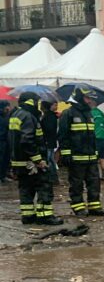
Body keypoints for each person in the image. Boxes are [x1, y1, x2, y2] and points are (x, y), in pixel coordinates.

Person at [8, 92, 63, 225]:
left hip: (19, 162)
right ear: (31, 102)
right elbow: (27, 141)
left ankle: (28, 216)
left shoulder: (15, 115)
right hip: (32, 162)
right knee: (44, 186)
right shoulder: (28, 116)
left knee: (26, 188)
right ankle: (45, 216)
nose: (39, 105)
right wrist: (39, 160)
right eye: (37, 102)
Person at [58, 86, 104, 216]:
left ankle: (94, 207)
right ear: (80, 97)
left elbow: (92, 136)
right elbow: (63, 135)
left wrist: (96, 153)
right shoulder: (68, 113)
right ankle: (78, 208)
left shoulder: (89, 114)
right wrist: (66, 153)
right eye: (87, 98)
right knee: (76, 184)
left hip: (91, 157)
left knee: (94, 183)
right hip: (76, 157)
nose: (89, 101)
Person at [40, 101, 60, 186]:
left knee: (49, 160)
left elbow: (49, 129)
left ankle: (51, 178)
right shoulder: (50, 115)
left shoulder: (49, 116)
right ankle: (53, 178)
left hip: (48, 141)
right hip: (50, 141)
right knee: (51, 160)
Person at [91, 104, 104, 182]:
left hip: (96, 138)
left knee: (94, 158)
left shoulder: (90, 113)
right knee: (102, 157)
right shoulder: (101, 113)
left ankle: (94, 176)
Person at [0, 100, 10, 183]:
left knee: (5, 159)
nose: (8, 108)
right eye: (7, 106)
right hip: (1, 141)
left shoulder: (7, 116)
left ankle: (3, 176)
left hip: (6, 141)